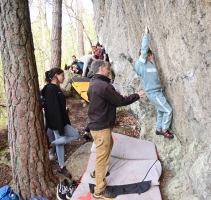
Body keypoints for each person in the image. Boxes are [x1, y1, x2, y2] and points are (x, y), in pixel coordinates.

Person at [87, 60, 146, 199]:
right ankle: (99, 190)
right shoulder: (103, 85)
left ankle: (99, 172)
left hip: (97, 125)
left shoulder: (94, 83)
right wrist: (137, 95)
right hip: (101, 127)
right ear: (101, 68)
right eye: (107, 68)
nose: (109, 71)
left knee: (107, 148)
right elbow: (120, 102)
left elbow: (105, 100)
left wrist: (115, 96)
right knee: (102, 156)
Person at [134, 26, 174, 139]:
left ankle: (158, 128)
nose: (151, 57)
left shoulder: (149, 65)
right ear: (146, 55)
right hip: (153, 93)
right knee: (168, 110)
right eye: (149, 55)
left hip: (156, 91)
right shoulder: (141, 63)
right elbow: (144, 49)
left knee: (161, 110)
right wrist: (146, 35)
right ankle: (164, 130)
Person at [41, 67, 79, 179]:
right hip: (57, 123)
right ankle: (51, 143)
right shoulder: (50, 89)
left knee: (60, 143)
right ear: (56, 76)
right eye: (62, 75)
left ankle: (61, 167)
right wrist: (60, 125)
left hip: (59, 121)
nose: (64, 77)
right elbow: (53, 109)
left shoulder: (55, 88)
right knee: (75, 135)